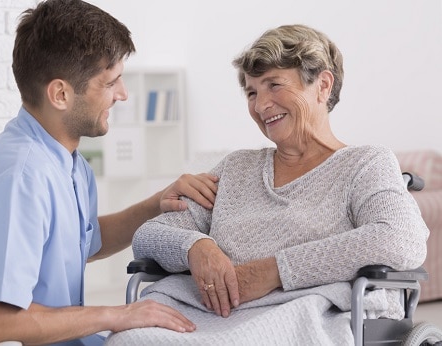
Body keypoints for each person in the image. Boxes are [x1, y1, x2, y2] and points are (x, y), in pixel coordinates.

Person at [105, 24, 429, 345]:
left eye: (274, 84)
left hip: (301, 311)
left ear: (323, 85)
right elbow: (148, 236)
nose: (261, 106)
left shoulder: (365, 164)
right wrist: (195, 247)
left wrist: (275, 270)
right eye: (251, 92)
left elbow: (401, 238)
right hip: (202, 311)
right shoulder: (236, 168)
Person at [0, 0, 219, 345]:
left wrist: (157, 203)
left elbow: (84, 242)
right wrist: (117, 314)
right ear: (61, 94)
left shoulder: (67, 162)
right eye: (110, 82)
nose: (123, 94)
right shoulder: (20, 178)